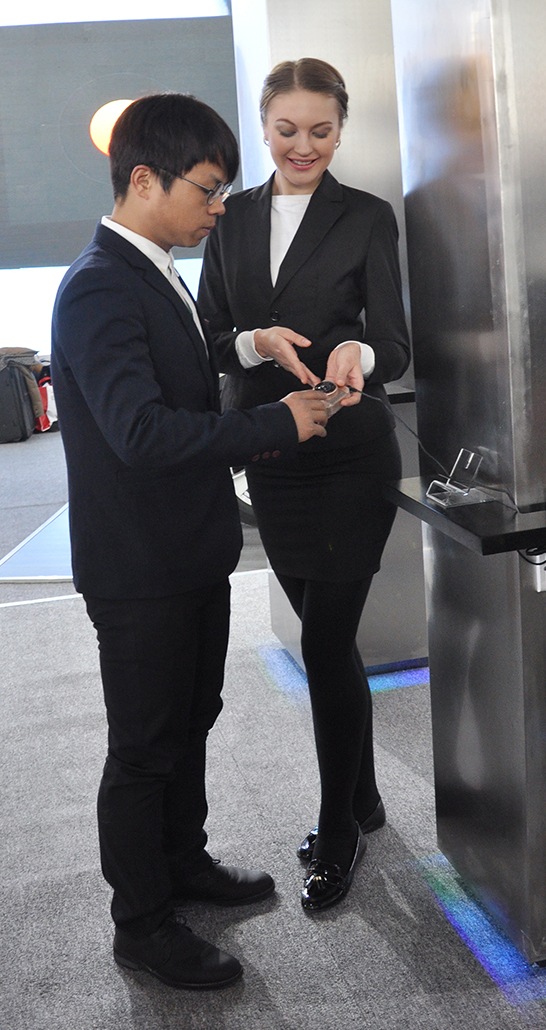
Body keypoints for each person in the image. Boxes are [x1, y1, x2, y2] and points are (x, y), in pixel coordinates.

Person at [51, 93, 329, 990]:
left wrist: (248, 346)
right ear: (145, 180)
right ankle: (141, 922)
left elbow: (184, 364)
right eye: (208, 190)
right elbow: (140, 431)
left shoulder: (151, 268)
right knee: (144, 746)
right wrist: (277, 423)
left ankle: (182, 861)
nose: (219, 208)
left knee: (191, 720)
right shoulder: (99, 284)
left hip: (189, 551)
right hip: (139, 567)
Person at [198, 59, 411, 911]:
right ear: (263, 125)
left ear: (340, 129)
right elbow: (211, 333)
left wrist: (359, 350)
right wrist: (255, 342)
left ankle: (338, 827)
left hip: (353, 457)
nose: (303, 146)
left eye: (321, 130)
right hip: (276, 459)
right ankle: (366, 795)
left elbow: (394, 342)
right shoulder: (232, 218)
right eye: (287, 129)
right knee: (331, 642)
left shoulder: (367, 216)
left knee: (324, 645)